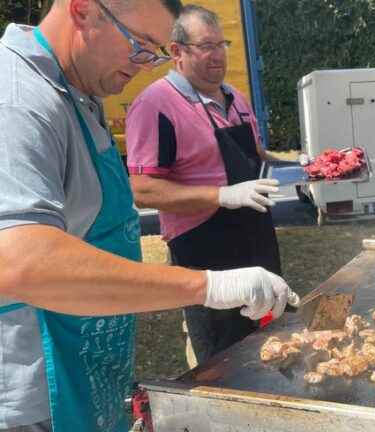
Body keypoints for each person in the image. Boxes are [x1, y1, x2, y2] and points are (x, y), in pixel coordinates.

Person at [0, 0, 298, 430]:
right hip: (33, 392)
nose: (146, 65)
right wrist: (208, 284)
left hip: (83, 362)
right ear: (83, 11)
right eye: (140, 45)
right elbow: (22, 262)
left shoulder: (80, 91)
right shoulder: (18, 100)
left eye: (154, 50)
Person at [125, 5, 286, 368]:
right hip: (203, 248)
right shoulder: (155, 105)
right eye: (206, 46)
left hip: (256, 235)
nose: (218, 55)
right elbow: (143, 189)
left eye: (222, 44)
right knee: (222, 355)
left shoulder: (235, 97)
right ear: (177, 51)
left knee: (270, 336)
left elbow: (255, 152)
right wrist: (221, 196)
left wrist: (299, 164)